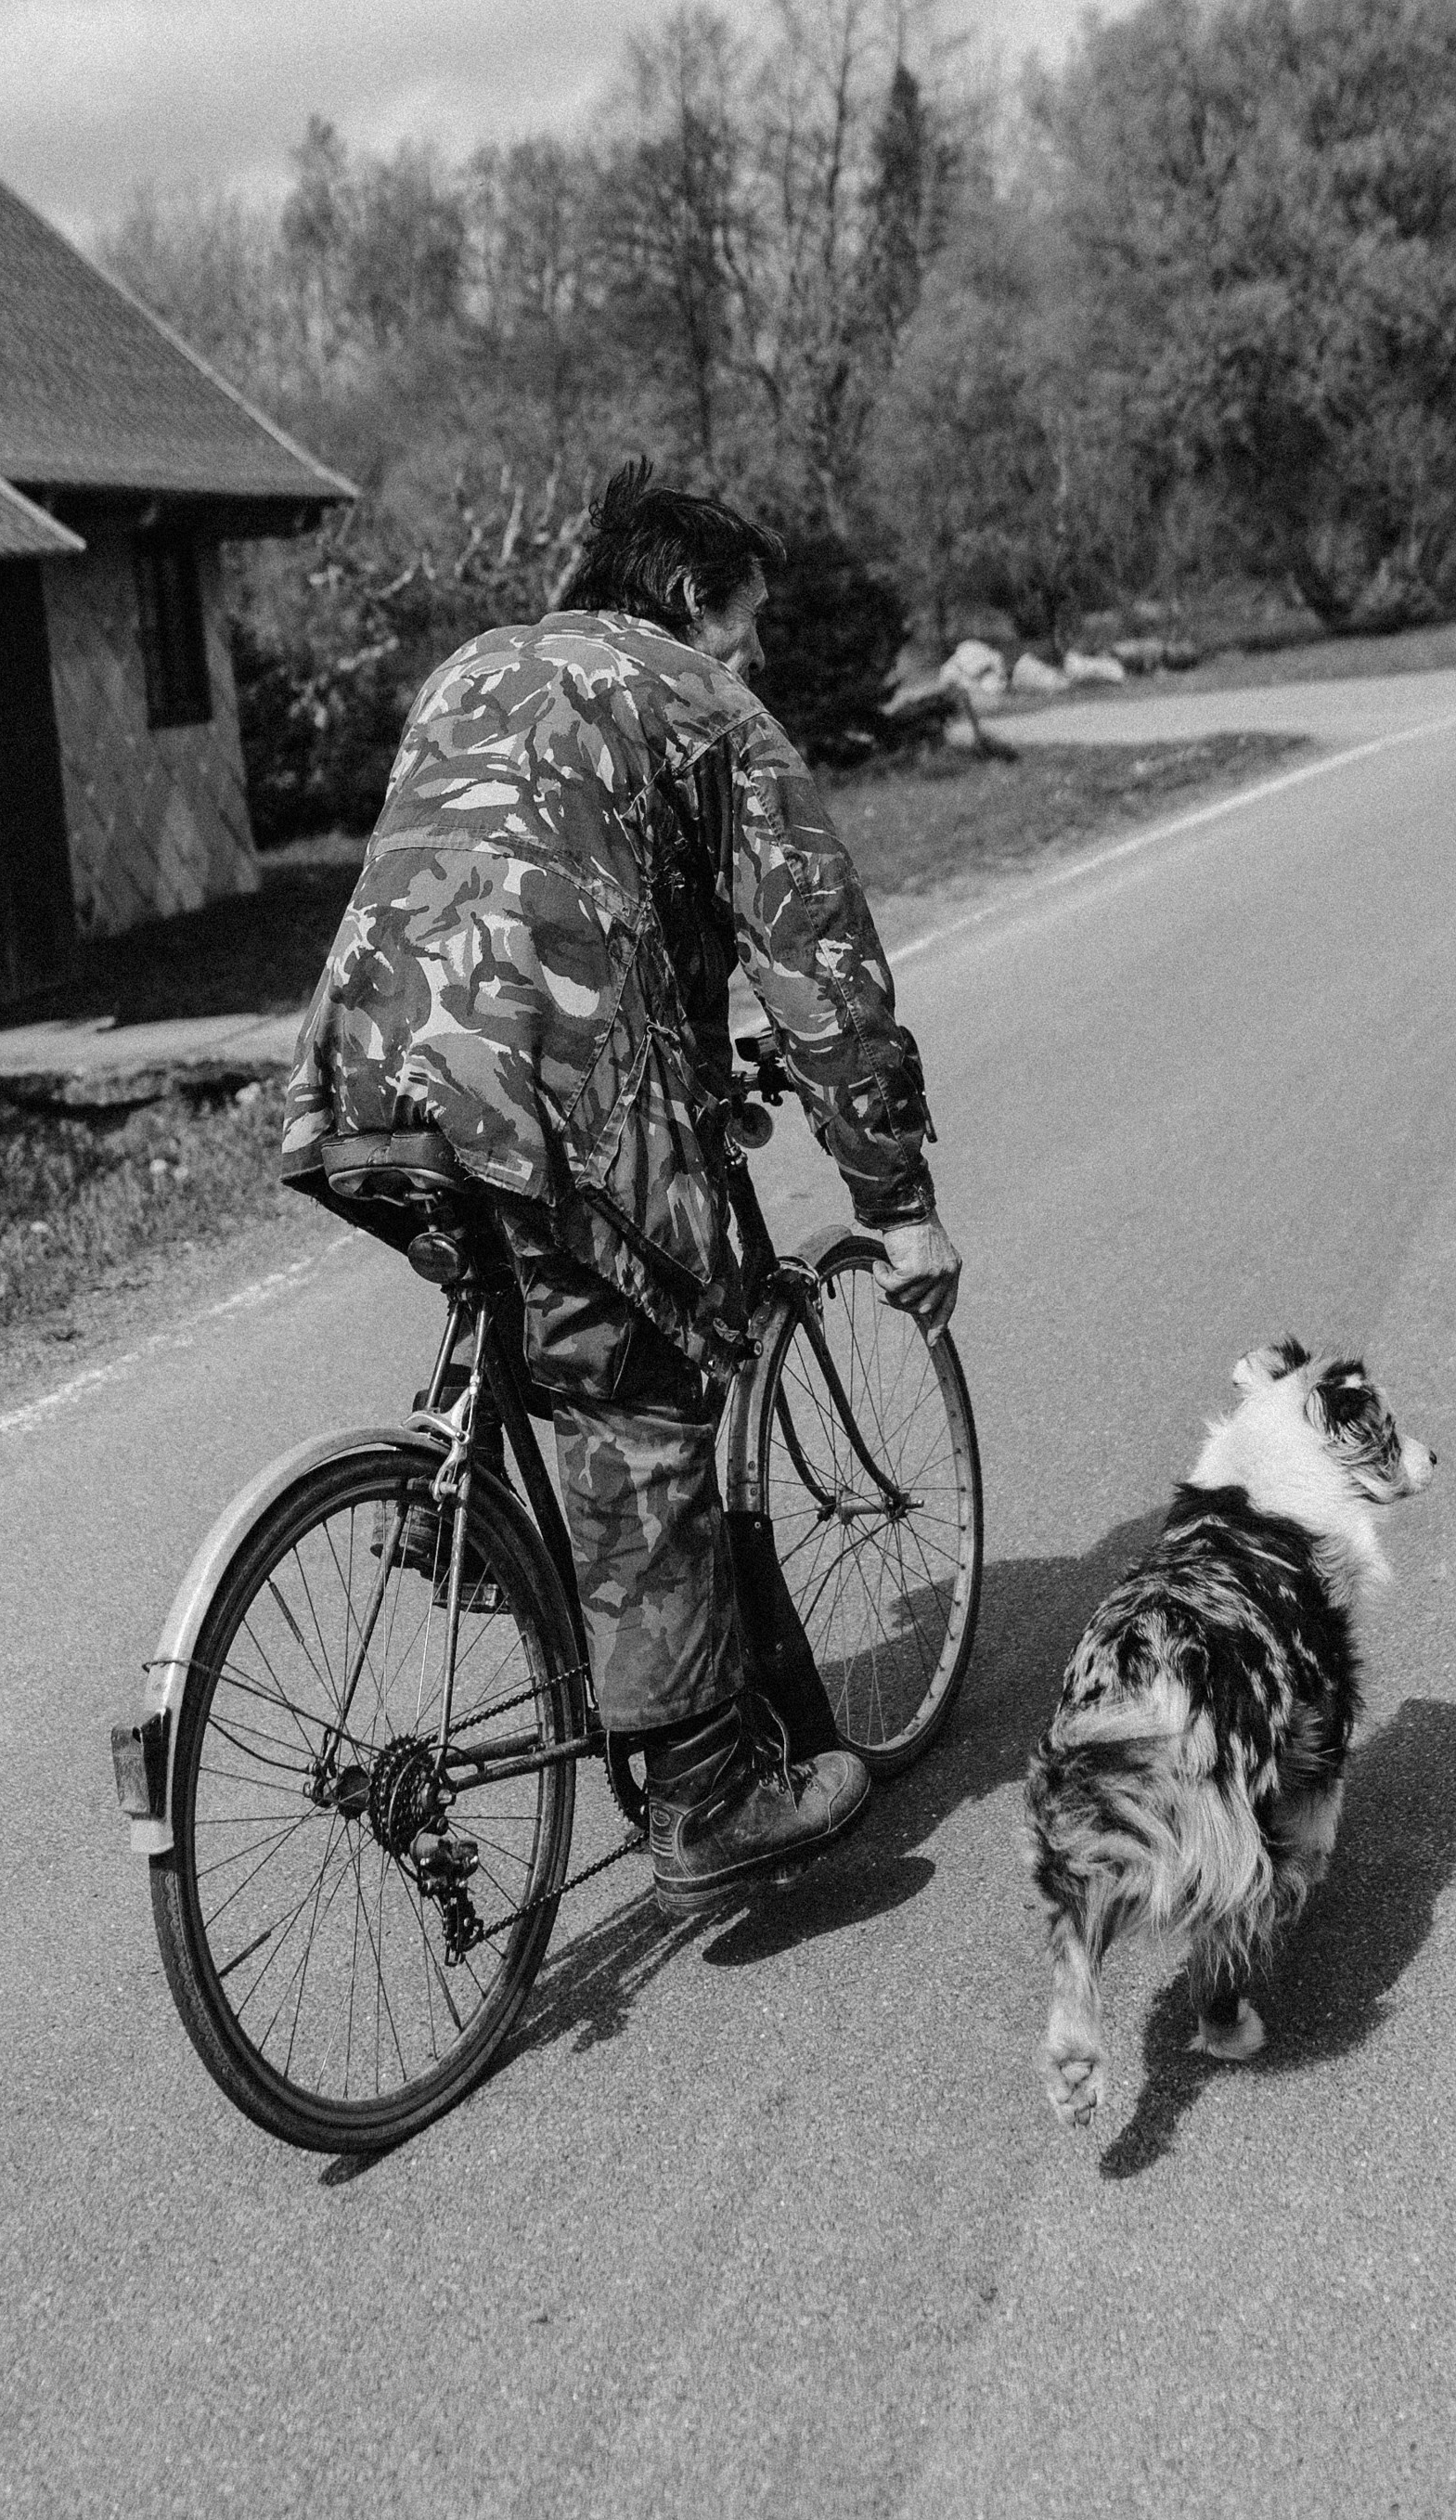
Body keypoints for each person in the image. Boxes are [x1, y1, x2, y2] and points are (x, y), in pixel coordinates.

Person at [281, 460, 961, 1915]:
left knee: (539, 1287)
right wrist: (893, 1196)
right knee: (642, 1386)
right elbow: (821, 963)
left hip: (360, 1074)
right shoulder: (701, 701)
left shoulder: (475, 666)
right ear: (681, 599)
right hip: (548, 1082)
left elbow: (552, 875)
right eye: (748, 621)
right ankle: (711, 1798)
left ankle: (481, 1536)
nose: (758, 654)